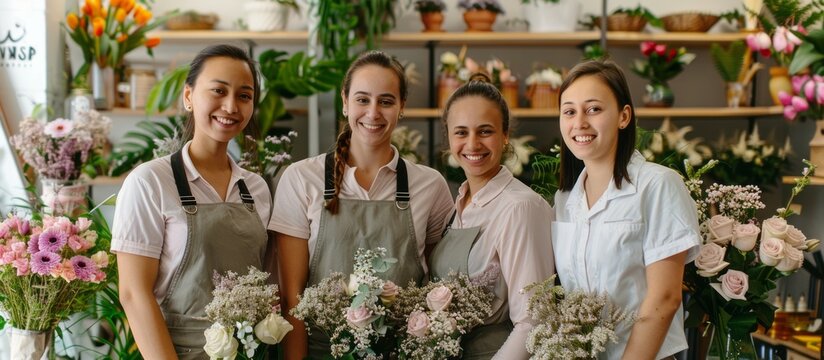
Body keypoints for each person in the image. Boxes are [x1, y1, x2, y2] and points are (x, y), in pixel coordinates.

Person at [271, 50, 454, 359]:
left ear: (401, 108)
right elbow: (293, 296)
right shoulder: (302, 179)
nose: (373, 113)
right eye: (362, 99)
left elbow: (438, 286)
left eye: (386, 101)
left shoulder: (431, 185)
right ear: (344, 102)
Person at [112, 44, 271, 359]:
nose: (230, 106)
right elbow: (133, 294)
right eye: (218, 91)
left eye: (244, 95)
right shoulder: (151, 181)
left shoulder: (256, 189)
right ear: (188, 96)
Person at [552, 60, 701, 359]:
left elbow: (665, 298)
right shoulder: (564, 199)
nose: (579, 122)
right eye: (569, 111)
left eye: (593, 109)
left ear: (623, 116)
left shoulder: (658, 185)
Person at [428, 73, 555, 359]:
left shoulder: (520, 208)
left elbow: (533, 321)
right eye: (461, 132)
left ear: (505, 135)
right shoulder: (458, 204)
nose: (472, 144)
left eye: (485, 131)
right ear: (449, 137)